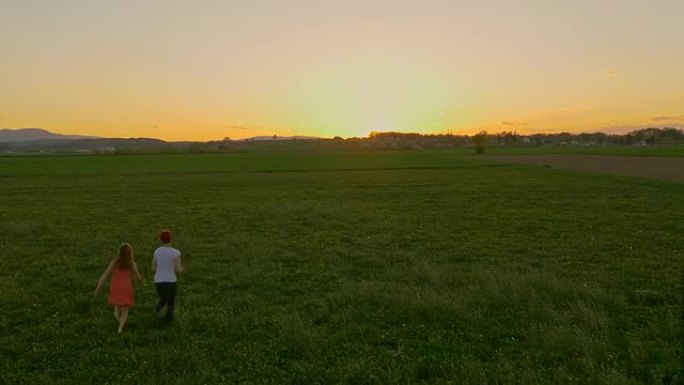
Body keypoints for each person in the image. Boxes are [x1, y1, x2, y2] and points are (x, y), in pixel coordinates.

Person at [95, 243, 144, 333]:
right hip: (126, 287)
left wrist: (98, 287)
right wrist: (140, 282)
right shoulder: (131, 264)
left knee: (118, 302)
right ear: (130, 254)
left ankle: (116, 314)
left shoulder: (114, 262)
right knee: (125, 309)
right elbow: (138, 277)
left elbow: (105, 276)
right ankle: (120, 328)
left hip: (115, 287)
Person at [152, 229, 183, 322]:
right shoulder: (176, 253)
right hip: (171, 280)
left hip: (158, 280)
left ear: (161, 239)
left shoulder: (157, 251)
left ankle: (158, 308)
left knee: (163, 297)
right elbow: (178, 269)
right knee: (170, 301)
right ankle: (169, 320)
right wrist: (182, 269)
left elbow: (153, 267)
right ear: (171, 239)